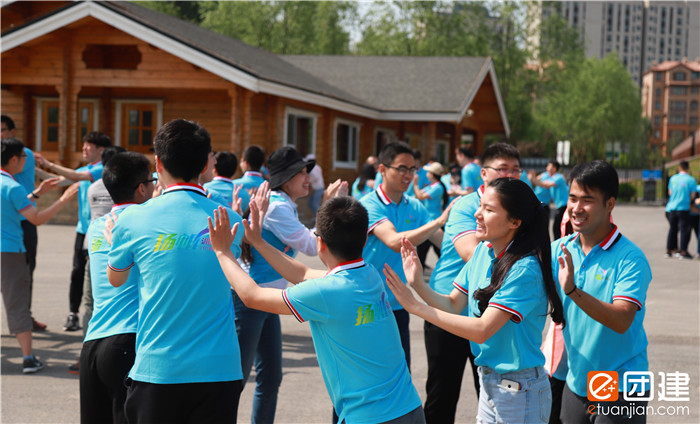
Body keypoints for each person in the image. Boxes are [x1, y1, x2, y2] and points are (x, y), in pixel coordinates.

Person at [209, 195, 425, 424]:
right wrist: (259, 242)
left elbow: (252, 296)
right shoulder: (369, 274)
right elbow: (302, 273)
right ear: (364, 240)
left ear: (320, 243)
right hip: (410, 407)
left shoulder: (327, 292)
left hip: (370, 417)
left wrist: (223, 252)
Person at [385, 177, 565, 423]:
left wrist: (416, 307)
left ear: (515, 221)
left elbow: (482, 330)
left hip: (520, 390)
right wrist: (417, 284)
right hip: (490, 381)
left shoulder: (524, 269)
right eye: (480, 206)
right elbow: (453, 304)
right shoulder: (484, 250)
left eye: (489, 210)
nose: (477, 214)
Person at [106, 119, 245, 423]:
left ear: (157, 163)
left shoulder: (132, 219)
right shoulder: (231, 220)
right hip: (220, 369)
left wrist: (114, 242)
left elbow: (116, 279)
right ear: (206, 164)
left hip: (158, 369)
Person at [235, 146, 346, 423]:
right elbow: (311, 245)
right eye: (301, 173)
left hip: (267, 299)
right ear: (285, 179)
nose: (308, 178)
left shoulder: (283, 205)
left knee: (271, 378)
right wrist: (328, 207)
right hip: (250, 300)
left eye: (307, 172)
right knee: (236, 379)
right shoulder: (277, 207)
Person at [422, 142, 522, 424]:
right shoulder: (466, 206)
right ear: (483, 173)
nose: (510, 175)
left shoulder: (523, 208)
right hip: (451, 305)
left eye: (516, 169)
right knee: (443, 393)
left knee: (492, 391)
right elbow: (473, 254)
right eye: (503, 168)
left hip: (491, 310)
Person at [552, 161, 652, 423]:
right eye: (573, 198)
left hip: (621, 384)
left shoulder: (630, 258)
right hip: (577, 381)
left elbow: (621, 320)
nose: (576, 208)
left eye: (587, 200)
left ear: (610, 204)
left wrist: (572, 290)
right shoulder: (559, 250)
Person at [359, 141, 451, 368]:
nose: (408, 175)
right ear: (382, 169)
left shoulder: (414, 206)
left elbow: (443, 242)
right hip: (367, 303)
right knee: (368, 375)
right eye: (401, 168)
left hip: (399, 303)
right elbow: (393, 241)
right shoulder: (369, 205)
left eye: (412, 169)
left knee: (401, 373)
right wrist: (439, 221)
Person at [79, 151, 155, 423]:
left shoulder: (96, 226)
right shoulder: (146, 226)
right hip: (128, 341)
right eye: (152, 181)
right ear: (142, 188)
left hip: (93, 344)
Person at [1, 138, 79, 373]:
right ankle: (28, 358)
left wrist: (37, 193)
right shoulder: (13, 186)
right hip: (10, 252)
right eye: (24, 157)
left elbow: (14, 207)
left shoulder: (10, 186)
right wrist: (63, 200)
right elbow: (35, 219)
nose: (26, 161)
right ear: (14, 159)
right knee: (18, 304)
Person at [35, 131, 112, 332]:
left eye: (88, 146)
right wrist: (35, 168)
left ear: (100, 150)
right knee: (77, 271)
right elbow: (60, 180)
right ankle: (73, 313)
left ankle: (95, 315)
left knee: (97, 273)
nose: (84, 149)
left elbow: (75, 177)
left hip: (101, 232)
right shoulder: (84, 169)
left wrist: (48, 163)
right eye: (83, 145)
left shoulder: (103, 170)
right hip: (82, 230)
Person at [71, 145, 127, 375]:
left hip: (92, 246)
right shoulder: (126, 189)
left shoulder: (93, 187)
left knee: (90, 302)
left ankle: (85, 354)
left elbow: (87, 217)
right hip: (121, 250)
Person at [1, 115, 46, 331]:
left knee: (25, 272)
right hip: (6, 219)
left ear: (12, 132)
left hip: (24, 219)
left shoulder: (22, 154)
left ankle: (24, 317)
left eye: (3, 130)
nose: (0, 134)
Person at [411, 162, 448, 266]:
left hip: (434, 221)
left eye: (428, 172)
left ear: (432, 174)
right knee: (424, 250)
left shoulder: (438, 187)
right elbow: (418, 195)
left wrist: (415, 184)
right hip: (429, 221)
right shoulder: (432, 186)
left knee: (438, 250)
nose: (426, 174)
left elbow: (420, 196)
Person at [664, 160, 697, 259]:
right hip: (683, 208)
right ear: (688, 168)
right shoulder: (691, 180)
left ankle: (669, 250)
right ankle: (683, 251)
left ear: (679, 168)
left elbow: (670, 192)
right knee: (684, 230)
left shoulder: (673, 178)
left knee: (672, 229)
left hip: (672, 207)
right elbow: (692, 195)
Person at [531, 160, 568, 239]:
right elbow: (542, 182)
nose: (547, 168)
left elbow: (546, 185)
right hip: (559, 205)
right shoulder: (551, 177)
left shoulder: (558, 177)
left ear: (554, 168)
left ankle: (559, 243)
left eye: (549, 166)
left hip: (563, 204)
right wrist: (534, 179)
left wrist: (534, 179)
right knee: (556, 227)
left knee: (557, 227)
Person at [232, 145, 266, 212]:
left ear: (246, 163)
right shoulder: (268, 187)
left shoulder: (234, 185)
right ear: (262, 164)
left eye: (241, 161)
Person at [306, 153, 325, 222]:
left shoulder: (313, 168)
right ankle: (317, 217)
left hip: (318, 188)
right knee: (310, 203)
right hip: (318, 188)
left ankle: (320, 219)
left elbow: (315, 177)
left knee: (314, 204)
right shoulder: (317, 167)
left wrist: (308, 181)